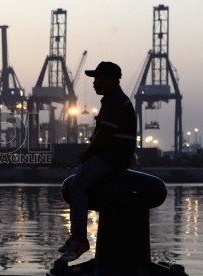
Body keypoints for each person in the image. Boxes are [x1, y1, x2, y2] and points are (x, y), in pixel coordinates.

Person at [58, 61, 137, 262]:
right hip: (110, 156)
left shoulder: (115, 102)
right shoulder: (113, 100)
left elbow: (105, 135)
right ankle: (77, 236)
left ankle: (79, 240)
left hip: (112, 157)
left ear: (110, 80)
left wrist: (87, 154)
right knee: (80, 183)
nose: (94, 83)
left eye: (98, 79)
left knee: (77, 186)